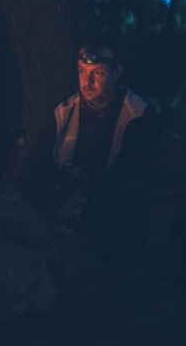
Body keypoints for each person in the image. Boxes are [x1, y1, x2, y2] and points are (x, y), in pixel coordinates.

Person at [20, 39, 160, 254]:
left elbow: (138, 179)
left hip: (111, 212)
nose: (87, 82)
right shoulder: (65, 111)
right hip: (66, 203)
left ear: (117, 72)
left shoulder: (138, 115)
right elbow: (33, 167)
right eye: (82, 71)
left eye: (99, 73)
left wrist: (89, 194)